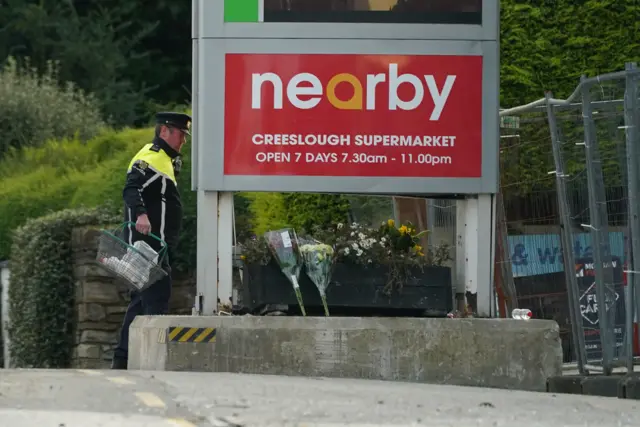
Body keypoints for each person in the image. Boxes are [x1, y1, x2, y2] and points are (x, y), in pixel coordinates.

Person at [111, 111, 191, 370]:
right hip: (148, 246)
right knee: (157, 297)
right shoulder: (151, 157)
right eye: (180, 134)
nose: (183, 140)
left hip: (156, 245)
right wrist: (142, 214)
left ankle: (122, 359)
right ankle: (150, 361)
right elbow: (130, 187)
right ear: (164, 131)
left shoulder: (163, 158)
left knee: (140, 302)